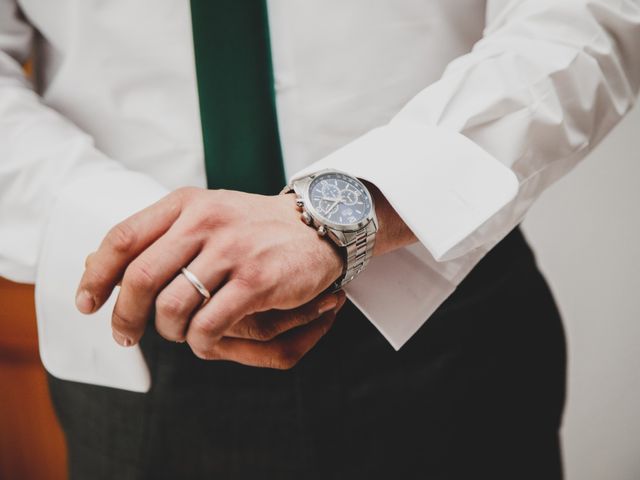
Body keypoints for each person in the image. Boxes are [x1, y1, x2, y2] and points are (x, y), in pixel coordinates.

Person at [1, 0, 639, 478]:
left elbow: (584, 14)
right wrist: (149, 236)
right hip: (137, 332)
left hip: (445, 312)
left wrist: (354, 203)